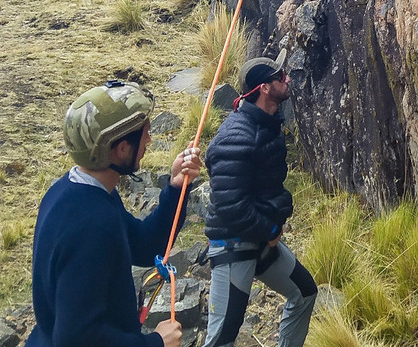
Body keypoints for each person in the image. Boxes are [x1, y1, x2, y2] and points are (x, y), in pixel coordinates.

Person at [28, 80, 202, 347]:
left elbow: (145, 244)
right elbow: (75, 339)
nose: (149, 140)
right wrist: (156, 343)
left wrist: (176, 186)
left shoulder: (76, 192)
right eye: (145, 134)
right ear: (122, 149)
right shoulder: (92, 223)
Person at [203, 49, 317, 347]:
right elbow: (231, 207)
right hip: (233, 244)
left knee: (304, 292)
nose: (287, 79)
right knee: (221, 338)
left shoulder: (267, 124)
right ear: (265, 88)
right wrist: (271, 229)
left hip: (261, 240)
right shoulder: (235, 138)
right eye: (280, 76)